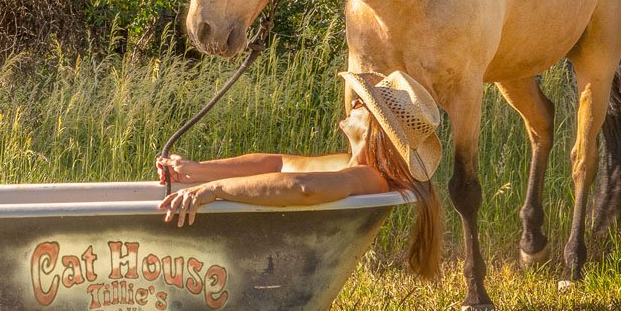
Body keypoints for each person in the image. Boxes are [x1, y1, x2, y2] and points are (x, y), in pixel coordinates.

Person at [154, 70, 444, 278]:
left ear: (376, 129)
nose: (354, 103)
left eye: (364, 105)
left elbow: (302, 187)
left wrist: (214, 190)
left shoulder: (368, 178)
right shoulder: (346, 164)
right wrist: (197, 171)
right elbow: (278, 165)